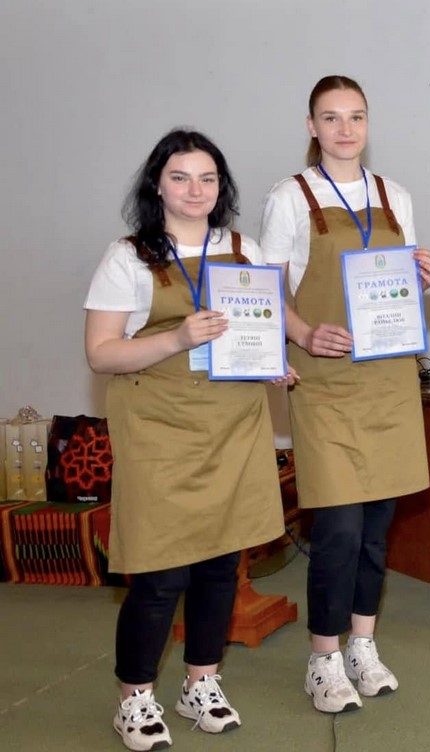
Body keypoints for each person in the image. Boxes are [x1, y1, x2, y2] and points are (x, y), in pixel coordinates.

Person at [85, 129, 288, 750]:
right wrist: (176, 338)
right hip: (159, 429)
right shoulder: (127, 256)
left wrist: (270, 359)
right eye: (180, 177)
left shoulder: (243, 249)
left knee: (221, 565)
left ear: (221, 187)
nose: (195, 190)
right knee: (160, 572)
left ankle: (202, 682)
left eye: (207, 178)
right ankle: (135, 696)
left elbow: (259, 325)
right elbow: (101, 353)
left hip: (233, 426)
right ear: (158, 185)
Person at [260, 75, 430, 713]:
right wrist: (304, 333)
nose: (345, 129)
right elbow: (267, 290)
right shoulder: (290, 196)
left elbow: (397, 289)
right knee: (337, 528)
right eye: (331, 118)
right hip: (326, 381)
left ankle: (362, 644)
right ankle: (324, 657)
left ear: (368, 123)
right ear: (312, 126)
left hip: (388, 382)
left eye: (356, 116)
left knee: (375, 528)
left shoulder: (395, 196)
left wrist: (420, 277)